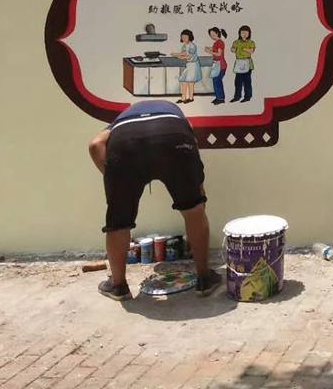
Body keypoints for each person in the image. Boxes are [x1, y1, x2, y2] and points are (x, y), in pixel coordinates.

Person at [87, 100, 222, 300]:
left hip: (125, 144)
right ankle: (204, 279)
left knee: (118, 222)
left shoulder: (120, 121)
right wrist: (198, 192)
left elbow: (95, 145)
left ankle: (118, 286)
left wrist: (115, 183)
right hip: (173, 136)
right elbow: (190, 141)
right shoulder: (175, 114)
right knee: (193, 210)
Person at [172, 29, 201, 104]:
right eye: (182, 37)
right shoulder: (184, 45)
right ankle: (183, 98)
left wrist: (177, 55)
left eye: (185, 37)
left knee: (190, 82)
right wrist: (179, 55)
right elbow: (183, 54)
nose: (184, 38)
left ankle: (191, 98)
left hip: (193, 65)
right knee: (183, 81)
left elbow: (188, 56)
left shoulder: (193, 46)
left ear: (189, 37)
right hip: (188, 65)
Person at [230, 25, 256, 103]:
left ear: (249, 33)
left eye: (246, 33)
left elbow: (251, 51)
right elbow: (232, 50)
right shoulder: (236, 42)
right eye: (242, 33)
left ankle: (247, 96)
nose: (244, 34)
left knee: (247, 81)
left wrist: (244, 49)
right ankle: (237, 96)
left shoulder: (251, 42)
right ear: (239, 33)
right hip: (239, 63)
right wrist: (233, 49)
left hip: (247, 63)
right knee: (238, 81)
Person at [205, 27, 228, 106]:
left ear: (217, 33)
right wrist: (209, 48)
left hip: (221, 65)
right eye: (211, 35)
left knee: (217, 81)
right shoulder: (216, 42)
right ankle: (218, 97)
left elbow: (219, 54)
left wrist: (210, 52)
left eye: (213, 34)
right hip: (217, 64)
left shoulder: (220, 42)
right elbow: (214, 49)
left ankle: (220, 98)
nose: (212, 36)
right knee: (216, 81)